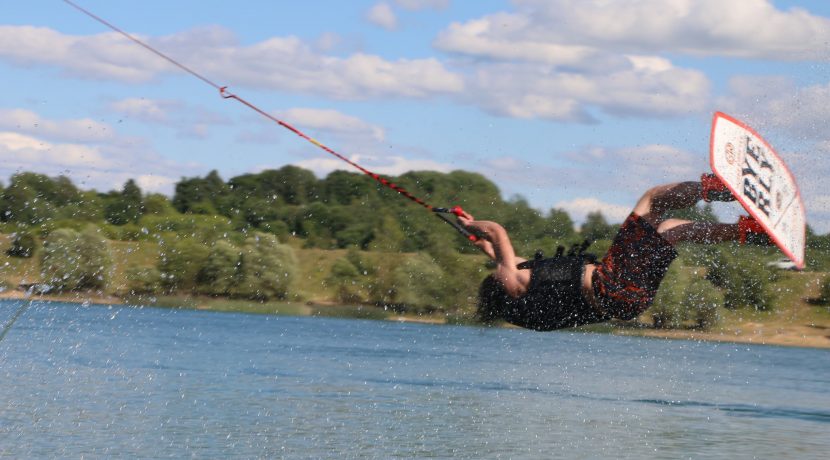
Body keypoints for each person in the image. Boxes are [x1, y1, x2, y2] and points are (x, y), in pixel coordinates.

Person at [456, 174, 768, 331]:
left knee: (670, 231)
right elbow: (497, 232)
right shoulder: (510, 279)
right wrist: (476, 226)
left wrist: (476, 239)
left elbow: (509, 259)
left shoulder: (523, 307)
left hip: (628, 302)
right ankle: (715, 188)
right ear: (498, 283)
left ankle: (748, 234)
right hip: (613, 281)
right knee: (652, 201)